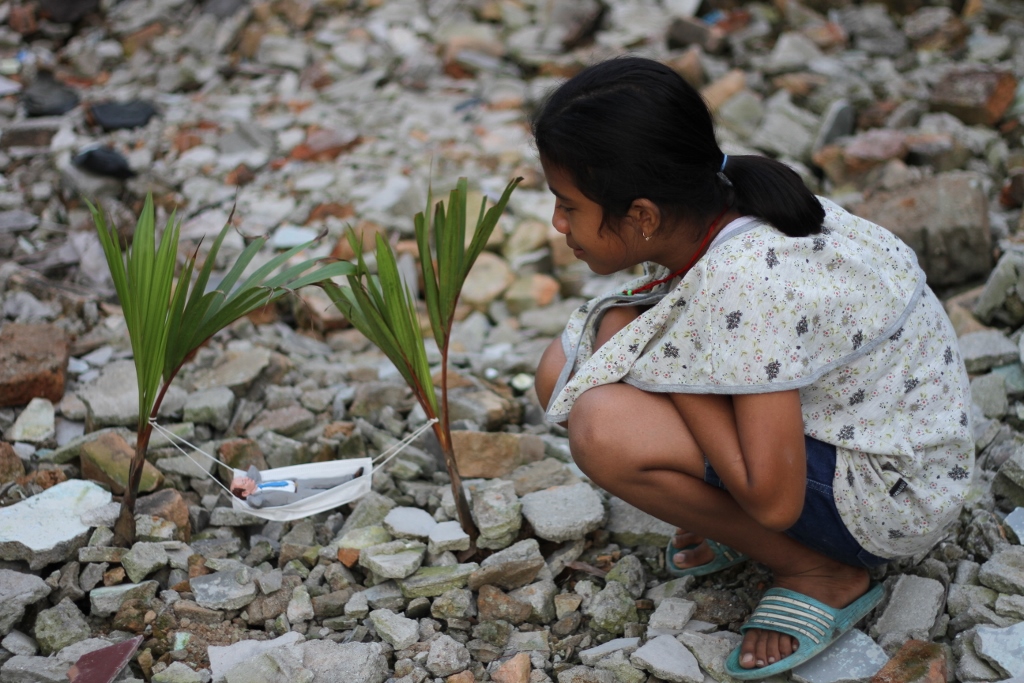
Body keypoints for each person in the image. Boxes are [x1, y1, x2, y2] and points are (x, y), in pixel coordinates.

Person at [531, 57, 973, 679]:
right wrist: (665, 353)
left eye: (567, 205)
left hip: (894, 490)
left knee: (603, 425)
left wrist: (666, 366)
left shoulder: (744, 280)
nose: (558, 223)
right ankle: (736, 520)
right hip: (858, 428)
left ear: (643, 217)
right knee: (565, 369)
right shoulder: (728, 200)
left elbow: (773, 500)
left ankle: (820, 571)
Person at [230, 465, 364, 508]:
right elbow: (256, 503)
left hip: (297, 483)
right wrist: (247, 495)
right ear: (245, 493)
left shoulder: (256, 482)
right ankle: (353, 490)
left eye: (243, 478)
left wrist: (241, 480)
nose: (246, 478)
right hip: (298, 496)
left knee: (326, 480)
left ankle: (351, 478)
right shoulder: (256, 498)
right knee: (325, 494)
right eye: (243, 482)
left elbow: (252, 469)